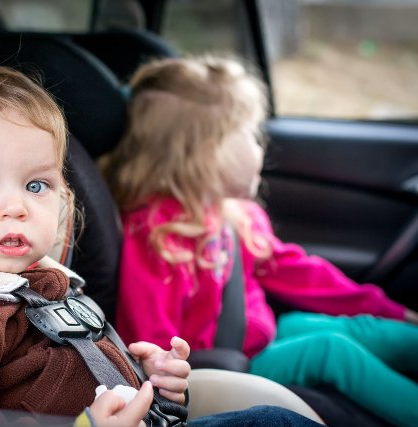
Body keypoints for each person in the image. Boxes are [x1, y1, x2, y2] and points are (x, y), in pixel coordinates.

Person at [0, 63, 324, 427]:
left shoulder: (43, 281)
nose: (15, 207)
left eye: (36, 184)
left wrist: (149, 379)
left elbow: (83, 371)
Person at [102, 54, 418, 427]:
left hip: (262, 334)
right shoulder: (158, 237)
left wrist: (390, 310)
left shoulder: (234, 213)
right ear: (205, 155)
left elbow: (298, 272)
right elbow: (150, 340)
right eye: (249, 135)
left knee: (351, 328)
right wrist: (167, 376)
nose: (261, 146)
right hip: (225, 363)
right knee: (332, 351)